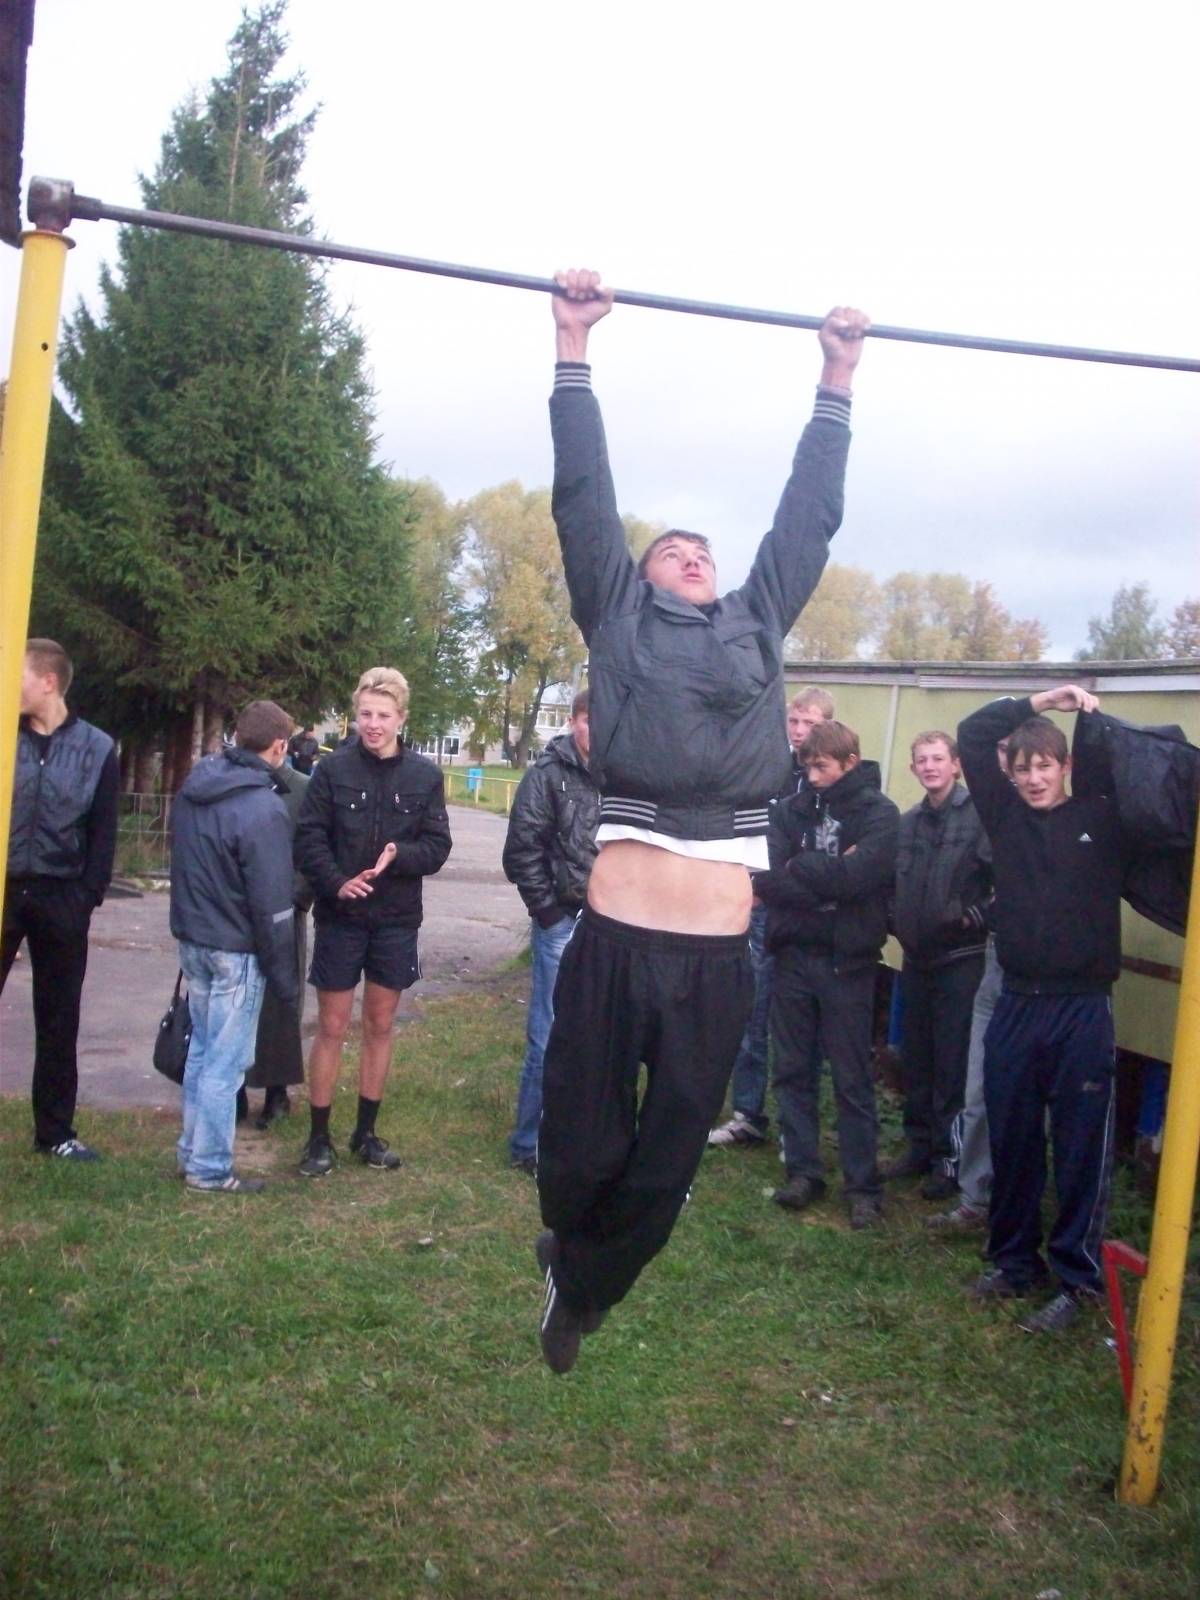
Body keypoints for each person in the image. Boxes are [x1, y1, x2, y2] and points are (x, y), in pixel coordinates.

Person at [534, 267, 869, 1371]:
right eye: (671, 548)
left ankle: (580, 1283)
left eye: (702, 550)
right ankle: (570, 1249)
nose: (692, 552)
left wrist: (837, 377)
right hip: (616, 940)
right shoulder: (616, 611)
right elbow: (583, 498)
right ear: (638, 576)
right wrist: (573, 349)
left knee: (668, 1163)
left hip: (716, 958)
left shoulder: (756, 620)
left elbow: (807, 519)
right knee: (577, 1153)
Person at [958, 685, 1122, 1333]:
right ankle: (1013, 1263)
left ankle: (1078, 1281)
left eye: (1044, 766)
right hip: (1017, 1006)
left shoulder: (1100, 817)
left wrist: (1089, 717)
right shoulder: (1005, 817)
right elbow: (973, 733)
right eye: (1023, 768)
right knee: (1014, 1136)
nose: (1032, 779)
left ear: (1065, 767)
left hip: (1082, 1010)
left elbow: (1115, 760)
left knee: (1080, 1146)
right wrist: (1044, 699)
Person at [293, 667, 451, 1177]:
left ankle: (365, 1134)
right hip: (341, 918)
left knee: (380, 1025)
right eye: (365, 714)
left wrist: (400, 853)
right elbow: (308, 839)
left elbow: (437, 846)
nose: (373, 724)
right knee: (332, 1026)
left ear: (402, 717)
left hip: (396, 921)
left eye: (383, 715)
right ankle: (318, 1139)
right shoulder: (332, 770)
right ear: (355, 715)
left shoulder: (425, 776)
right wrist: (336, 882)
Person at [755, 719, 898, 1229]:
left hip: (848, 962)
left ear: (849, 763)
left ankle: (862, 1186)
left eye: (822, 766)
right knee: (792, 1070)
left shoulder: (880, 814)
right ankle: (803, 1171)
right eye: (807, 767)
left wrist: (803, 866)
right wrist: (824, 876)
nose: (812, 776)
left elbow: (861, 879)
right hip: (793, 956)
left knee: (852, 1077)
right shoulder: (789, 810)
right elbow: (768, 878)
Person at [170, 700, 299, 1193]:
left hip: (196, 938)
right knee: (225, 1065)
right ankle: (209, 1168)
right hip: (236, 948)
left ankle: (192, 1152)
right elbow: (272, 901)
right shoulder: (263, 807)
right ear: (279, 747)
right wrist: (282, 972)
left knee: (202, 1053)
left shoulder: (196, 786)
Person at [1, 640, 118, 1161]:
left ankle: (54, 1133)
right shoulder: (5, 735)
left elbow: (103, 832)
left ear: (48, 682)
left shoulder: (97, 748)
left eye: (18, 675)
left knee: (58, 1019)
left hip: (61, 897)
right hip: (5, 890)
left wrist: (85, 897)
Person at [708, 687, 835, 1149]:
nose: (799, 732)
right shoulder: (770, 769)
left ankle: (796, 1128)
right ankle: (748, 1112)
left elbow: (827, 859)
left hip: (809, 918)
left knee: (800, 1026)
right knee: (752, 1012)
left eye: (810, 724)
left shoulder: (832, 783)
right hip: (763, 906)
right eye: (794, 722)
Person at [884, 732, 991, 1200]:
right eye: (921, 760)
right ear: (913, 769)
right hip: (916, 959)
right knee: (917, 1057)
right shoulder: (908, 823)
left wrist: (972, 917)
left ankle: (950, 1160)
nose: (929, 766)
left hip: (960, 960)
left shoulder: (979, 818)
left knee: (952, 1063)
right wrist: (894, 918)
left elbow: (1004, 882)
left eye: (937, 759)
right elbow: (891, 881)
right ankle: (919, 1146)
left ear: (956, 765)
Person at [501, 688, 599, 1174]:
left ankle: (581, 1137)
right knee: (548, 1034)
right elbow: (521, 849)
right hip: (561, 919)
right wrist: (547, 912)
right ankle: (529, 1143)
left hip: (611, 924)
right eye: (588, 719)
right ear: (574, 721)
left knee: (599, 1037)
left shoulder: (626, 776)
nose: (596, 729)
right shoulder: (546, 775)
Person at [243, 755, 315, 1128]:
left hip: (284, 913)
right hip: (237, 912)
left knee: (283, 1002)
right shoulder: (234, 784)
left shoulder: (302, 789)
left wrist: (296, 898)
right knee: (237, 999)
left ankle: (277, 1092)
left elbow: (317, 846)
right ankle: (234, 1090)